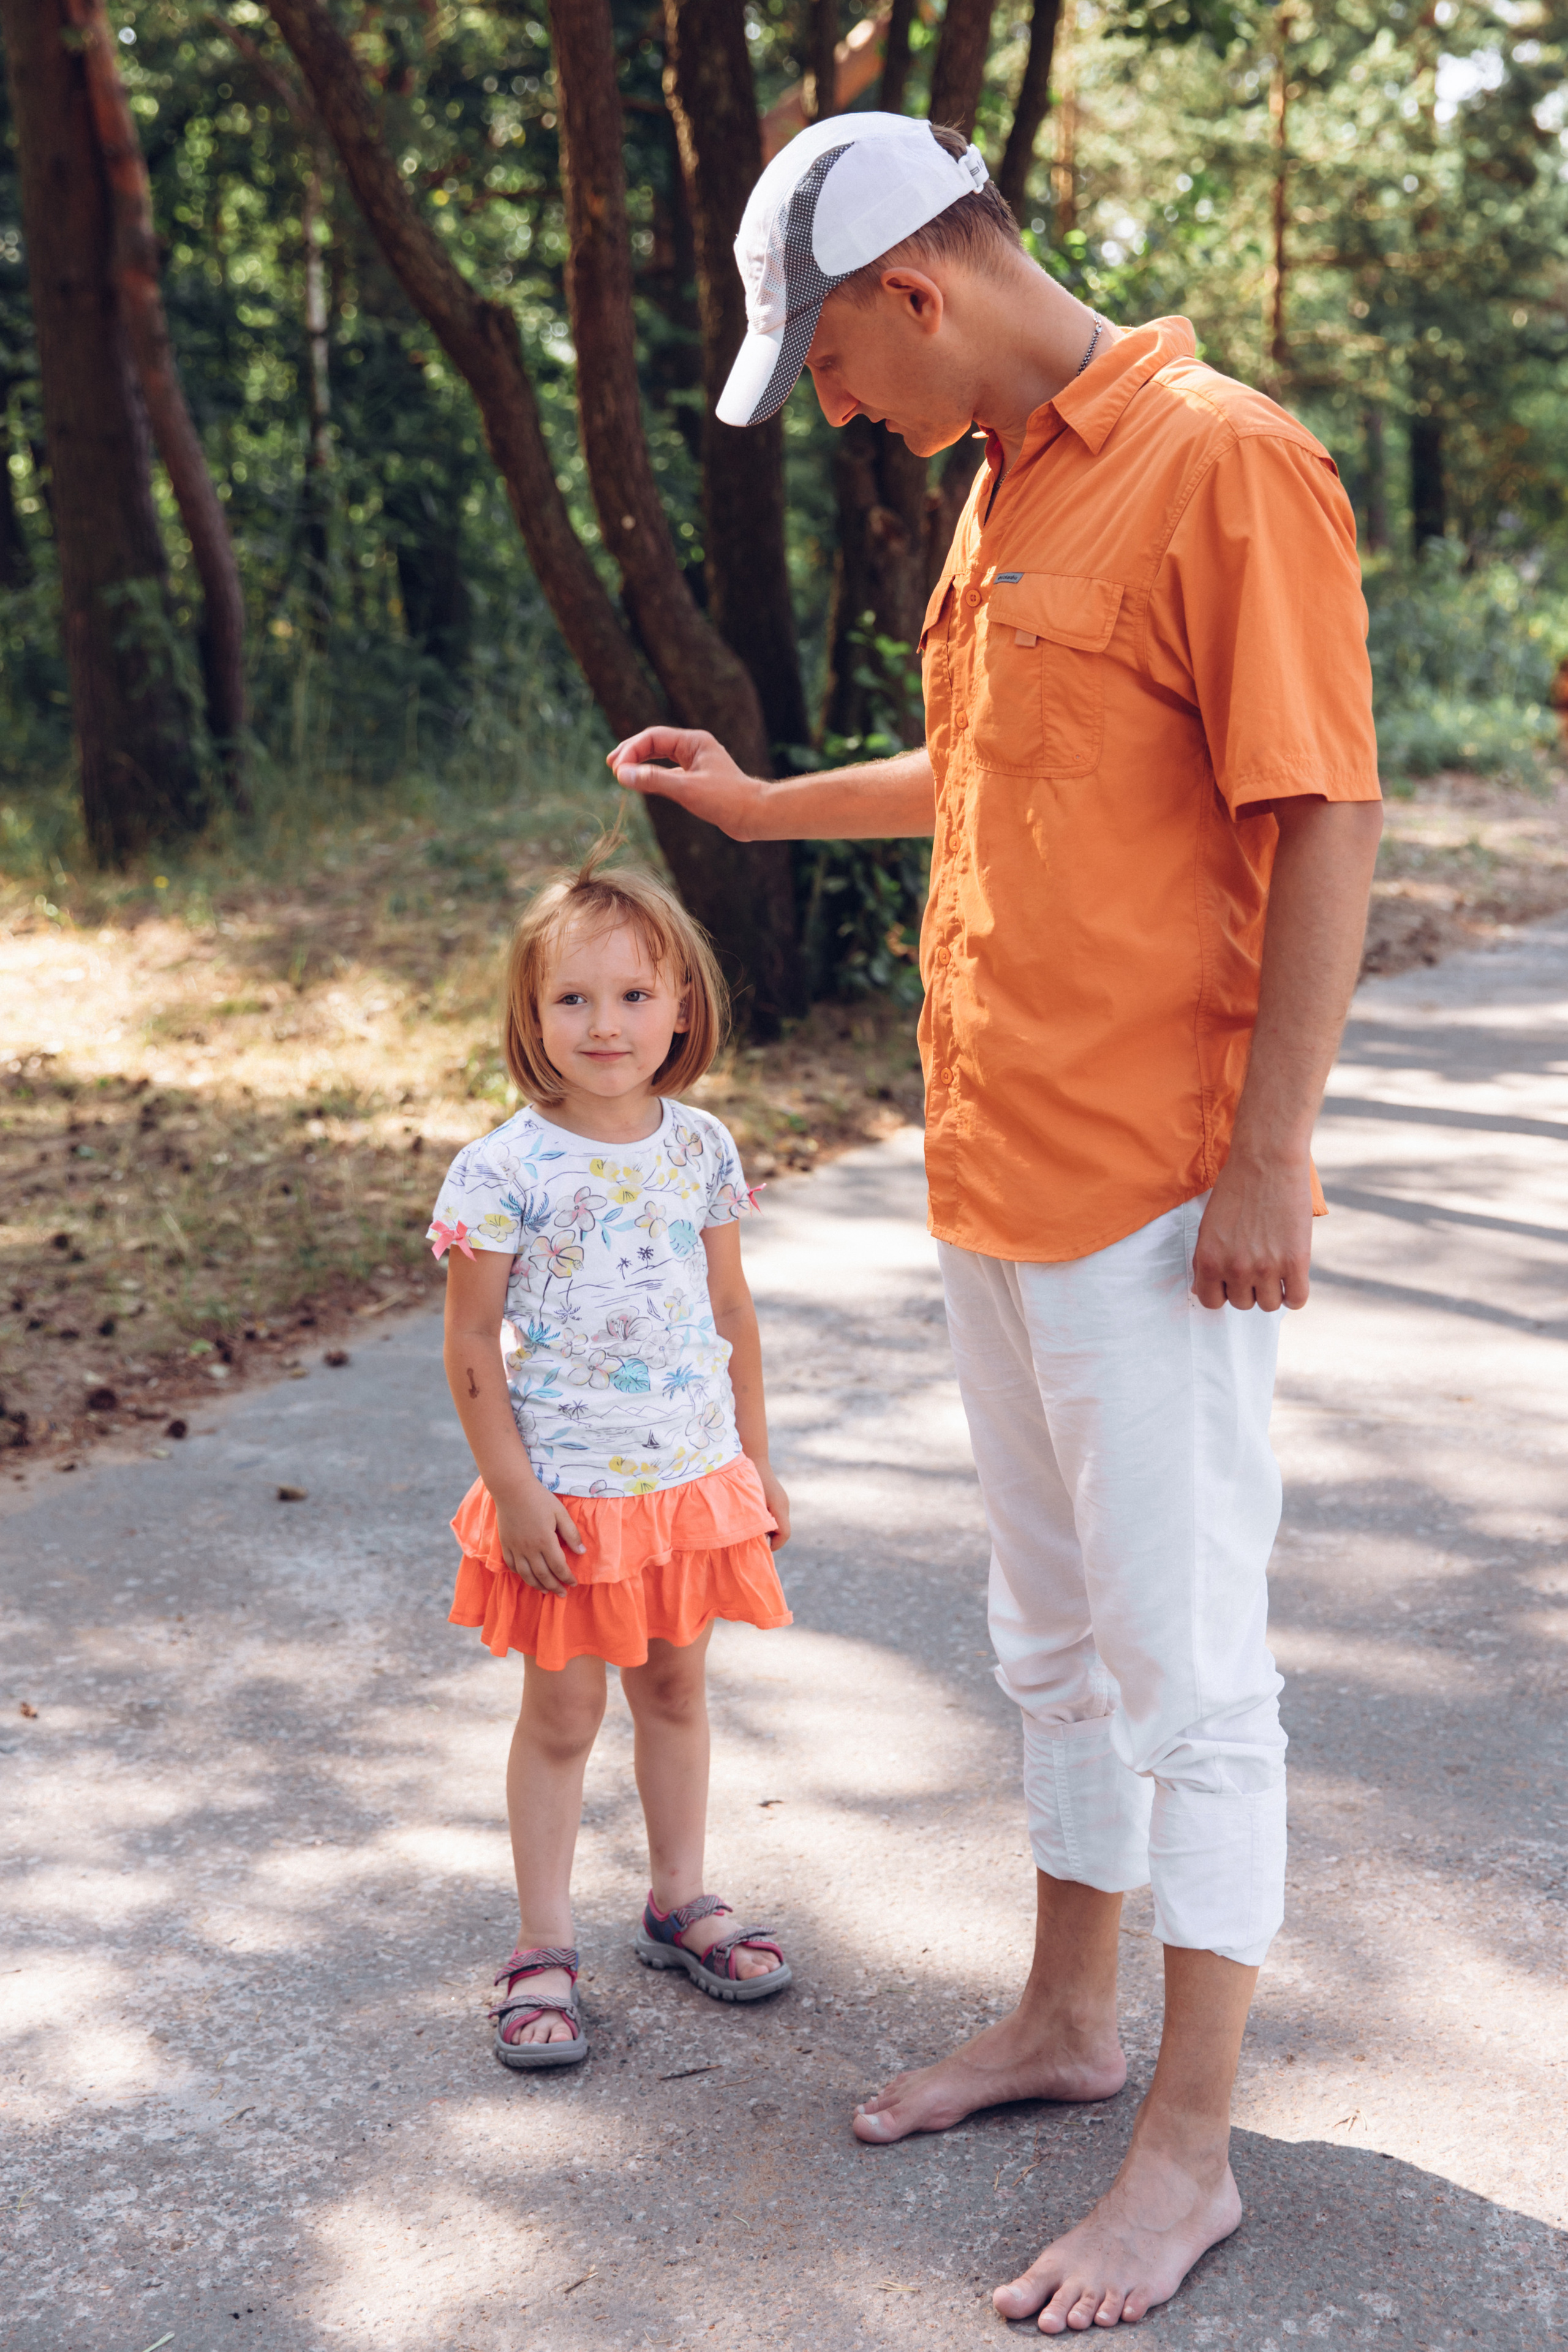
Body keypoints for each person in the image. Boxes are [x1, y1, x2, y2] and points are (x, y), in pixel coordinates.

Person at [608, 113, 1383, 2332]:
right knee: (1045, 1647)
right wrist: (768, 805)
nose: (837, 405)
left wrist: (1268, 1152)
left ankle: (1189, 2152)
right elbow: (992, 771)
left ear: (914, 294)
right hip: (994, 1174)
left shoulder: (1227, 467)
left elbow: (1317, 817)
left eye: (833, 362)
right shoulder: (1007, 486)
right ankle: (1068, 2022)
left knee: (1189, 1680)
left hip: (1157, 1197)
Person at [429, 844, 794, 2071]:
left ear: (679, 1006)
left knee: (677, 1693)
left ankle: (676, 1899)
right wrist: (516, 1490)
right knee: (564, 1710)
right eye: (572, 999)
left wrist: (753, 1462)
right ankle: (541, 1944)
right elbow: (471, 1341)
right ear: (531, 1016)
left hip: (687, 1488)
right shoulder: (504, 1169)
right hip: (572, 1500)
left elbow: (730, 1314)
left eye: (633, 995)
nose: (604, 1024)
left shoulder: (699, 1150)